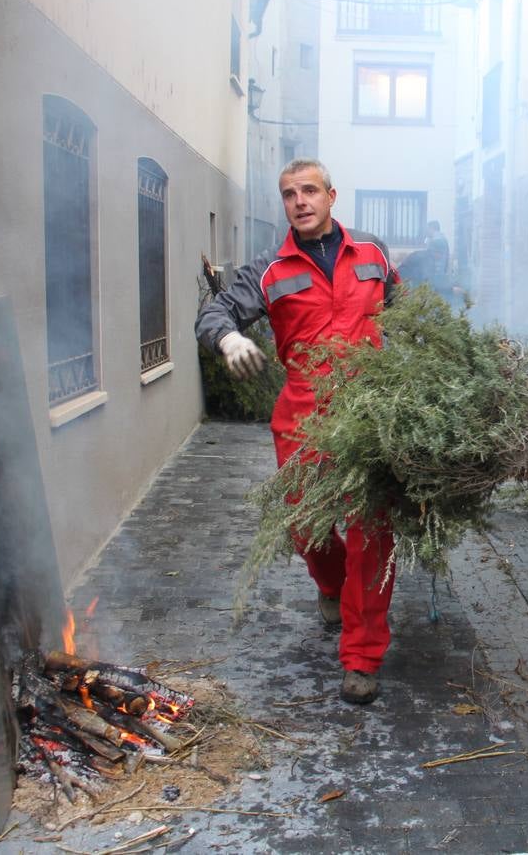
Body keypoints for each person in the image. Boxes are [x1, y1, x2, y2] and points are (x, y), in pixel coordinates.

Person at [196, 158, 400, 706]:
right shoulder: (270, 269)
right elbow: (215, 312)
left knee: (371, 533)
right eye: (289, 194)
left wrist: (415, 372)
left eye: (310, 190)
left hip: (368, 413)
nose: (300, 201)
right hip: (304, 414)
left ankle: (361, 656)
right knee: (303, 526)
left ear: (332, 195)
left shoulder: (374, 254)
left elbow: (405, 314)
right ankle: (332, 585)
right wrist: (227, 340)